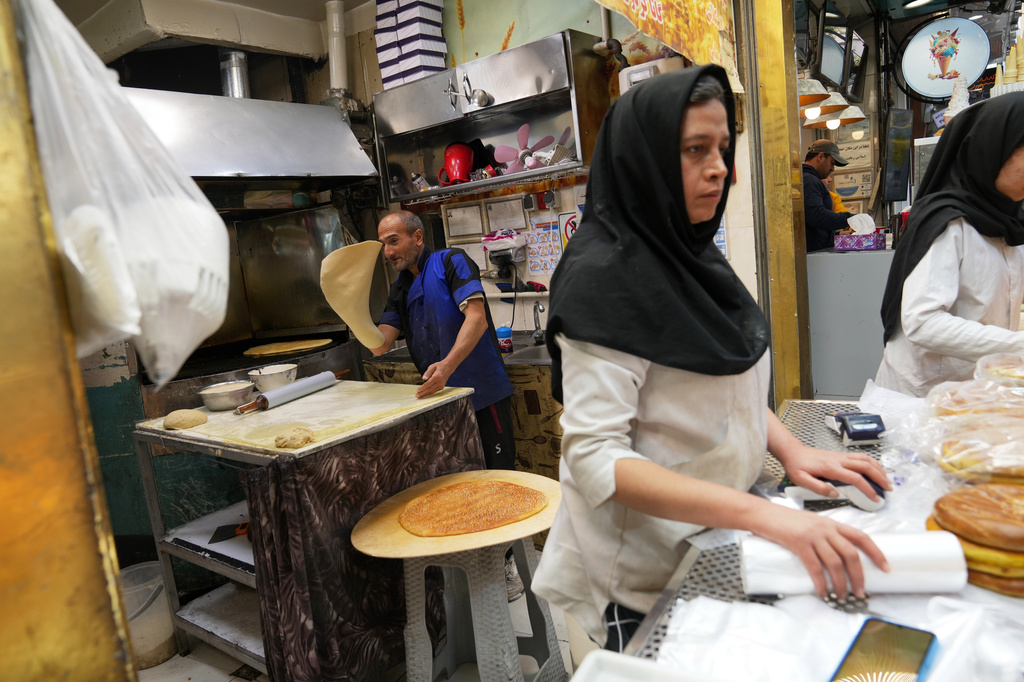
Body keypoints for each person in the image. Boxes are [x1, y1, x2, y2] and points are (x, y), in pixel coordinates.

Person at [530, 65, 891, 652]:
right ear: (643, 159)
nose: (719, 167)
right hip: (644, 572)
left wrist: (792, 450)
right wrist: (766, 516)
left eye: (722, 148)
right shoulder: (603, 281)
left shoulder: (691, 255)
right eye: (694, 149)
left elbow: (724, 384)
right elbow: (595, 459)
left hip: (713, 537)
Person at [369, 211, 524, 598]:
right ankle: (474, 563)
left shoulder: (451, 261)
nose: (388, 252)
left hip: (482, 392)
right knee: (458, 484)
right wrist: (348, 307)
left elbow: (477, 319)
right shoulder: (401, 287)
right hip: (443, 404)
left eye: (394, 241)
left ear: (418, 238)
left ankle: (507, 565)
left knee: (497, 480)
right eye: (384, 244)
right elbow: (380, 343)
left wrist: (448, 366)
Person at [875, 94, 1024, 397]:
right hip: (922, 398)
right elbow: (922, 321)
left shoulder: (1010, 223)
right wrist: (1017, 345)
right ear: (994, 150)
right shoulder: (948, 223)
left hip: (977, 392)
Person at [804, 139, 854, 251]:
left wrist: (835, 235)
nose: (832, 168)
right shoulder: (810, 181)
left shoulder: (809, 180)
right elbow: (817, 216)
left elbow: (813, 227)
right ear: (821, 157)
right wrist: (849, 218)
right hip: (814, 256)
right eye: (831, 163)